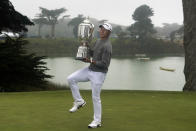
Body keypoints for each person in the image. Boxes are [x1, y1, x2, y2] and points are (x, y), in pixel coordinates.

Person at [67, 23, 112, 128]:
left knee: (95, 98)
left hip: (99, 74)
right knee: (71, 79)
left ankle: (97, 121)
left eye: (104, 30)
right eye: (101, 29)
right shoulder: (98, 41)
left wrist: (90, 61)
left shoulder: (107, 46)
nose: (101, 31)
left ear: (108, 32)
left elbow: (105, 64)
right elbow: (93, 53)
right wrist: (86, 47)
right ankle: (79, 101)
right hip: (90, 70)